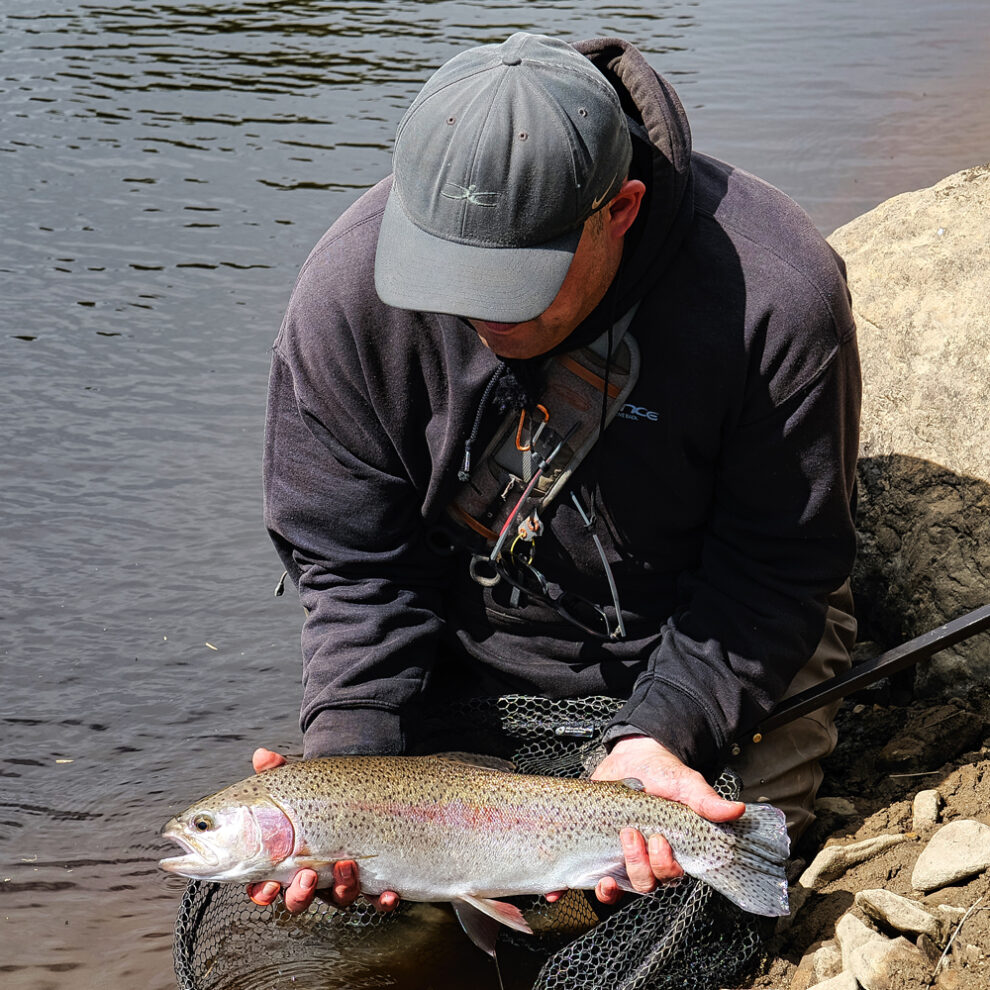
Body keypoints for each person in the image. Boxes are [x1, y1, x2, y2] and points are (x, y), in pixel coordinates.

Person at [248, 32, 860, 916]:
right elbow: (355, 568)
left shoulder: (777, 298)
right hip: (474, 628)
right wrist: (351, 759)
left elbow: (776, 571)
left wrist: (665, 730)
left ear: (620, 211)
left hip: (720, 628)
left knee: (684, 897)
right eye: (450, 273)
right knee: (361, 932)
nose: (478, 310)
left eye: (513, 283)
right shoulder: (348, 294)